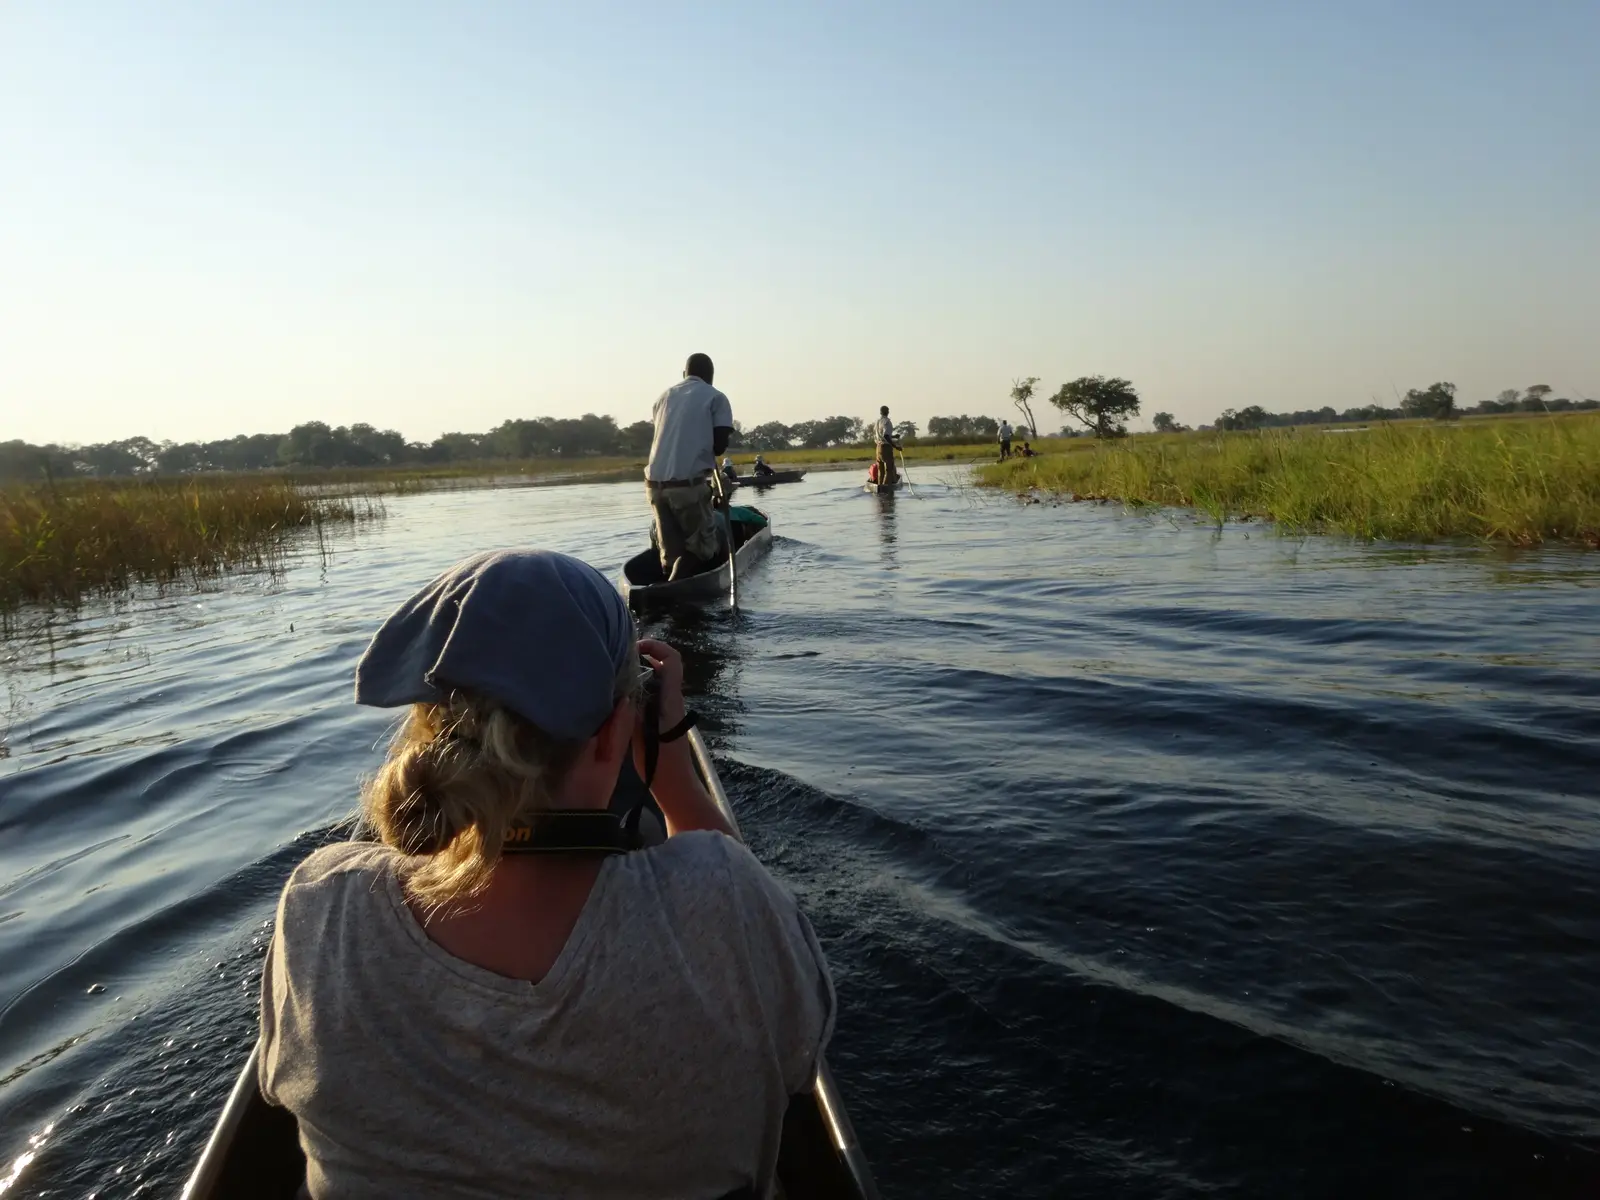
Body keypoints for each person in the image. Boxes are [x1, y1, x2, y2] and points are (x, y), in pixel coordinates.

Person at [258, 550, 835, 1199]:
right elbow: (796, 1050)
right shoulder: (721, 894)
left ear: (423, 722)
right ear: (616, 731)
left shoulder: (323, 904)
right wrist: (670, 766)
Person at [645, 353, 735, 581]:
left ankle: (667, 595)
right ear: (710, 377)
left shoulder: (663, 397)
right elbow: (719, 447)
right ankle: (672, 587)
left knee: (671, 553)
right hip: (687, 487)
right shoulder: (715, 397)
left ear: (684, 375)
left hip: (655, 486)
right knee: (702, 549)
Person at [872, 405, 900, 488]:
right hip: (885, 448)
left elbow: (881, 435)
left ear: (880, 412)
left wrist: (894, 436)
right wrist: (895, 446)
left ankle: (880, 487)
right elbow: (886, 436)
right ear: (888, 412)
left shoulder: (877, 421)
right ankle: (885, 489)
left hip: (878, 448)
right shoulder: (887, 422)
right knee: (889, 470)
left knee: (881, 471)